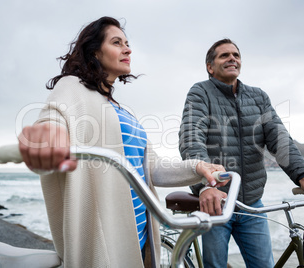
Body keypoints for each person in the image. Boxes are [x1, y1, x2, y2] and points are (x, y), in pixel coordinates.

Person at [17, 17, 228, 268]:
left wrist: (198, 168)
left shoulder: (122, 110)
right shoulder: (72, 87)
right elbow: (52, 121)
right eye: (117, 43)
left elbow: (152, 169)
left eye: (127, 43)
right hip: (106, 240)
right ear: (94, 51)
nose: (128, 49)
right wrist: (46, 138)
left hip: (140, 237)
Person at [178, 38, 304, 268]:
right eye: (224, 55)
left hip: (252, 204)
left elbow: (279, 139)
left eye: (236, 55)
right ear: (210, 66)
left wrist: (303, 176)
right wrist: (207, 187)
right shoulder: (200, 93)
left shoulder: (258, 97)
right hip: (216, 202)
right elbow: (191, 140)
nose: (232, 58)